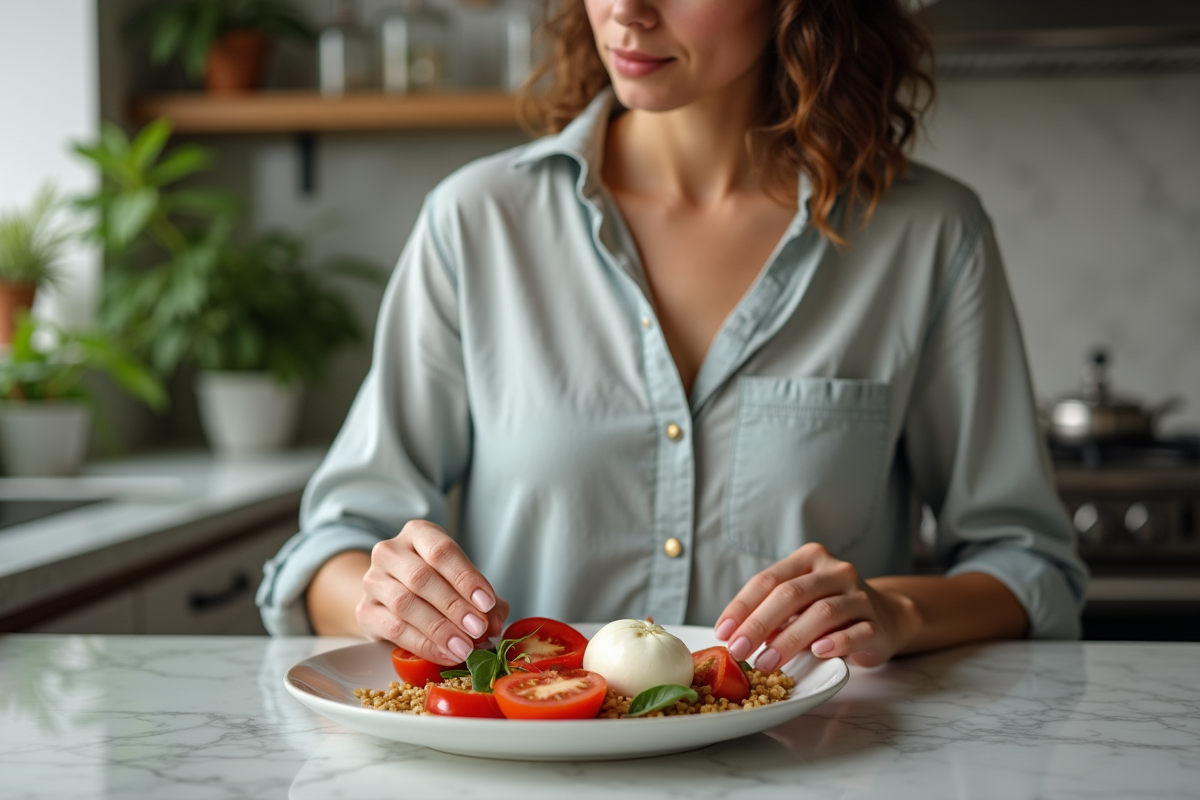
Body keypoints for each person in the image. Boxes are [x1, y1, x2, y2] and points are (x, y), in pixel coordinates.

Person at [257, 0, 1088, 672]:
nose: (626, 13)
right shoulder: (476, 224)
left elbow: (1028, 564)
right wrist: (388, 596)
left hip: (816, 771)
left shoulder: (929, 236)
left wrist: (895, 611)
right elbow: (330, 549)